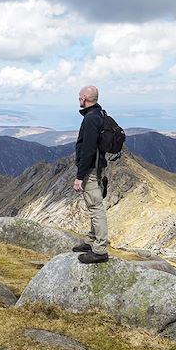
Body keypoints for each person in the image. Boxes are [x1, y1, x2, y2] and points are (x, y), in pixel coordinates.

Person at [72, 85, 109, 263]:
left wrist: (80, 176)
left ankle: (100, 250)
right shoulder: (98, 114)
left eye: (80, 96)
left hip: (91, 170)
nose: (78, 98)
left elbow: (87, 149)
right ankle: (92, 240)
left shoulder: (90, 119)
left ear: (85, 98)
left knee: (95, 208)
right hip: (97, 167)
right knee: (94, 205)